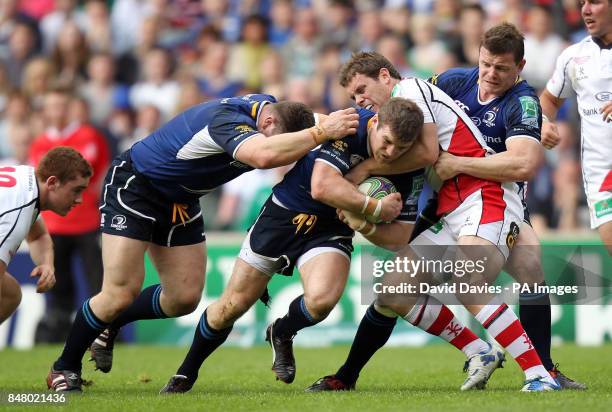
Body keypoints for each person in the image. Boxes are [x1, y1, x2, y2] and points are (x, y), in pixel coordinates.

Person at [316, 23, 585, 391]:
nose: (360, 101)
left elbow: (432, 153)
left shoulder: (420, 90)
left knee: (475, 276)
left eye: (362, 90)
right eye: (485, 63)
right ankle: (479, 350)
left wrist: (365, 169)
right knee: (393, 291)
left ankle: (540, 374)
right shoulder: (444, 83)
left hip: (487, 196)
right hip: (452, 205)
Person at [46, 93, 359, 392]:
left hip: (180, 199)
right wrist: (320, 131)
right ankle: (65, 365)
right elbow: (264, 155)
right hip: (137, 186)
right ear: (268, 127)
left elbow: (311, 122)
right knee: (119, 292)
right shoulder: (226, 121)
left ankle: (111, 324)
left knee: (183, 298)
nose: (287, 158)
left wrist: (349, 120)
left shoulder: (272, 114)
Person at [159, 97, 428, 394]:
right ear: (375, 124)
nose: (391, 153)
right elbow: (322, 186)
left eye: (401, 148)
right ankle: (187, 372)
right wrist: (374, 209)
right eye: (387, 142)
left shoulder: (410, 167)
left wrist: (363, 224)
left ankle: (282, 330)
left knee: (322, 300)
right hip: (284, 214)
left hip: (331, 228)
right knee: (231, 307)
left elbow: (399, 238)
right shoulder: (352, 127)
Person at [29, 88, 110, 343]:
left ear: (71, 107)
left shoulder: (89, 135)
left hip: (88, 221)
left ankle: (103, 332)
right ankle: (59, 331)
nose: (57, 111)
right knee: (60, 283)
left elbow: (100, 174)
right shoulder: (40, 141)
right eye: (52, 106)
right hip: (54, 224)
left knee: (97, 279)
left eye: (62, 105)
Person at [540, 0, 612, 255]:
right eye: (582, 3)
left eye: (594, 2)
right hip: (602, 175)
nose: (585, 10)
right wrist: (544, 122)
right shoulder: (573, 56)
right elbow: (548, 100)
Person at [1, 147, 92, 324]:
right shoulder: (18, 211)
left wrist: (46, 264)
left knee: (9, 295)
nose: (80, 199)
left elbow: (38, 236)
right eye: (76, 190)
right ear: (52, 183)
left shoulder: (27, 180)